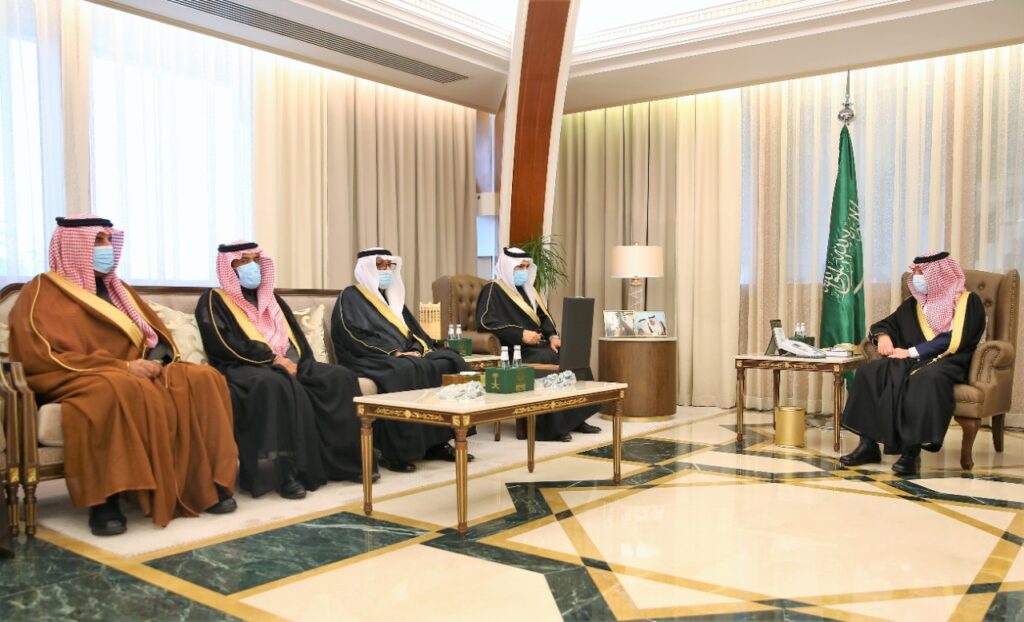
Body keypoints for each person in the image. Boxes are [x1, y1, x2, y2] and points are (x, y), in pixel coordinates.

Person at [9, 216, 238, 536]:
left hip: (135, 370)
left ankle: (203, 485)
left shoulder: (119, 289)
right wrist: (122, 367)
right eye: (97, 240)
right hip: (75, 374)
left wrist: (156, 362)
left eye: (108, 240)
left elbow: (154, 336)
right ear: (71, 246)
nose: (106, 247)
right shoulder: (41, 291)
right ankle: (106, 500)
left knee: (203, 378)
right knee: (114, 388)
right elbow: (40, 353)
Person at [196, 241, 369, 500]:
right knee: (276, 384)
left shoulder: (272, 299)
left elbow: (295, 337)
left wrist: (300, 363)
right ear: (229, 266)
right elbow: (224, 344)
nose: (252, 266)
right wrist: (271, 359)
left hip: (290, 362)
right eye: (244, 261)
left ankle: (343, 463)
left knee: (339, 377)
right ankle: (285, 474)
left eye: (255, 260)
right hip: (244, 366)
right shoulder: (214, 300)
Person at [839, 252, 986, 474]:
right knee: (869, 371)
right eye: (915, 272)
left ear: (939, 274)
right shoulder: (914, 304)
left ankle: (911, 453)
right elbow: (886, 324)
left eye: (921, 273)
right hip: (909, 360)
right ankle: (868, 445)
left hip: (947, 362)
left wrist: (909, 352)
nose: (916, 277)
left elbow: (954, 339)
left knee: (924, 379)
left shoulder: (967, 302)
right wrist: (884, 337)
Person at [332, 248, 470, 473]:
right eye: (380, 265)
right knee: (404, 370)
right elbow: (351, 335)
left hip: (403, 356)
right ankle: (395, 453)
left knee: (449, 361)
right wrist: (394, 353)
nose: (386, 270)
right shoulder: (350, 296)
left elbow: (413, 332)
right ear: (366, 268)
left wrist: (415, 349)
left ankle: (436, 442)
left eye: (389, 265)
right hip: (367, 357)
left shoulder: (393, 299)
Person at [476, 247, 601, 441]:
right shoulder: (493, 289)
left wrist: (552, 337)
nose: (524, 271)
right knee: (545, 358)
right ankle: (549, 429)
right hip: (514, 350)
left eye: (527, 267)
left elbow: (544, 317)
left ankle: (575, 419)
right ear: (508, 267)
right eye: (520, 267)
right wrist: (520, 334)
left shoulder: (529, 290)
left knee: (571, 356)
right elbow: (485, 322)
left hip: (537, 345)